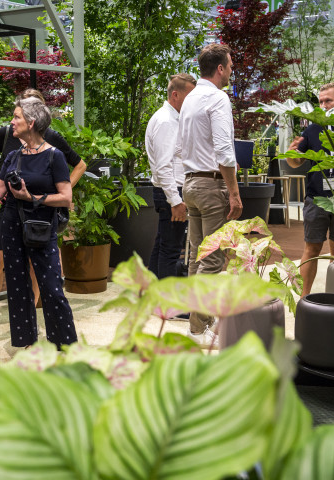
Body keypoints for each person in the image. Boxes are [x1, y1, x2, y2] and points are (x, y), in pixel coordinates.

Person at [0, 88, 86, 334]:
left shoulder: (53, 152)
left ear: (32, 120)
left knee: (51, 285)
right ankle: (22, 337)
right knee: (13, 281)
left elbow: (68, 190)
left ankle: (62, 342)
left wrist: (39, 196)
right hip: (12, 219)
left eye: (17, 116)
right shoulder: (11, 152)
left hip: (41, 221)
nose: (12, 120)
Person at [175, 43, 243, 347]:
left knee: (197, 256)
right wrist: (234, 192)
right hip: (211, 185)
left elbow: (181, 146)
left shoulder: (189, 100)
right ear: (220, 69)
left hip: (190, 184)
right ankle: (200, 329)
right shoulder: (217, 98)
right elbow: (225, 152)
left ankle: (198, 323)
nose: (231, 71)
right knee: (213, 258)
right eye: (229, 65)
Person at [286, 81, 334, 297]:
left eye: (328, 100)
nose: (323, 105)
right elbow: (296, 162)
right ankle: (304, 299)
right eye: (320, 101)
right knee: (312, 249)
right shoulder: (312, 129)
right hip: (316, 199)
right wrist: (292, 154)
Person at [146, 73, 196, 279]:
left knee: (162, 246)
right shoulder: (167, 121)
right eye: (189, 96)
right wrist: (175, 201)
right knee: (171, 251)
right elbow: (163, 167)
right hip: (171, 192)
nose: (192, 102)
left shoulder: (170, 118)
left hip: (169, 191)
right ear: (175, 94)